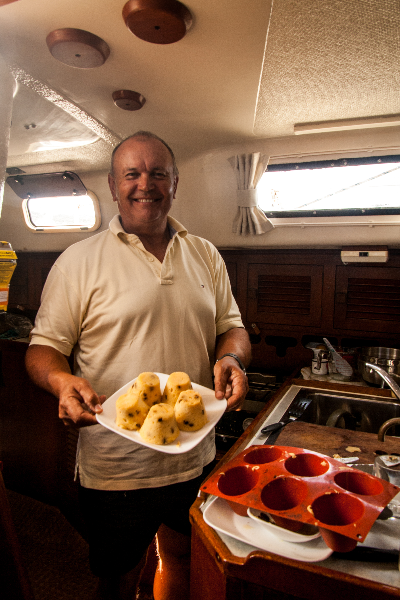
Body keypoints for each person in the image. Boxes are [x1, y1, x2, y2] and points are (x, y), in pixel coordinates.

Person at [25, 131, 251, 600]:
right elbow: (42, 349)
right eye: (132, 173)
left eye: (158, 173)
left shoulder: (205, 254)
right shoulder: (77, 262)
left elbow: (232, 326)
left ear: (175, 183)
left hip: (193, 455)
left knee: (182, 557)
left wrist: (231, 356)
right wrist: (61, 380)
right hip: (115, 466)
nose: (145, 184)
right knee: (117, 575)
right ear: (112, 185)